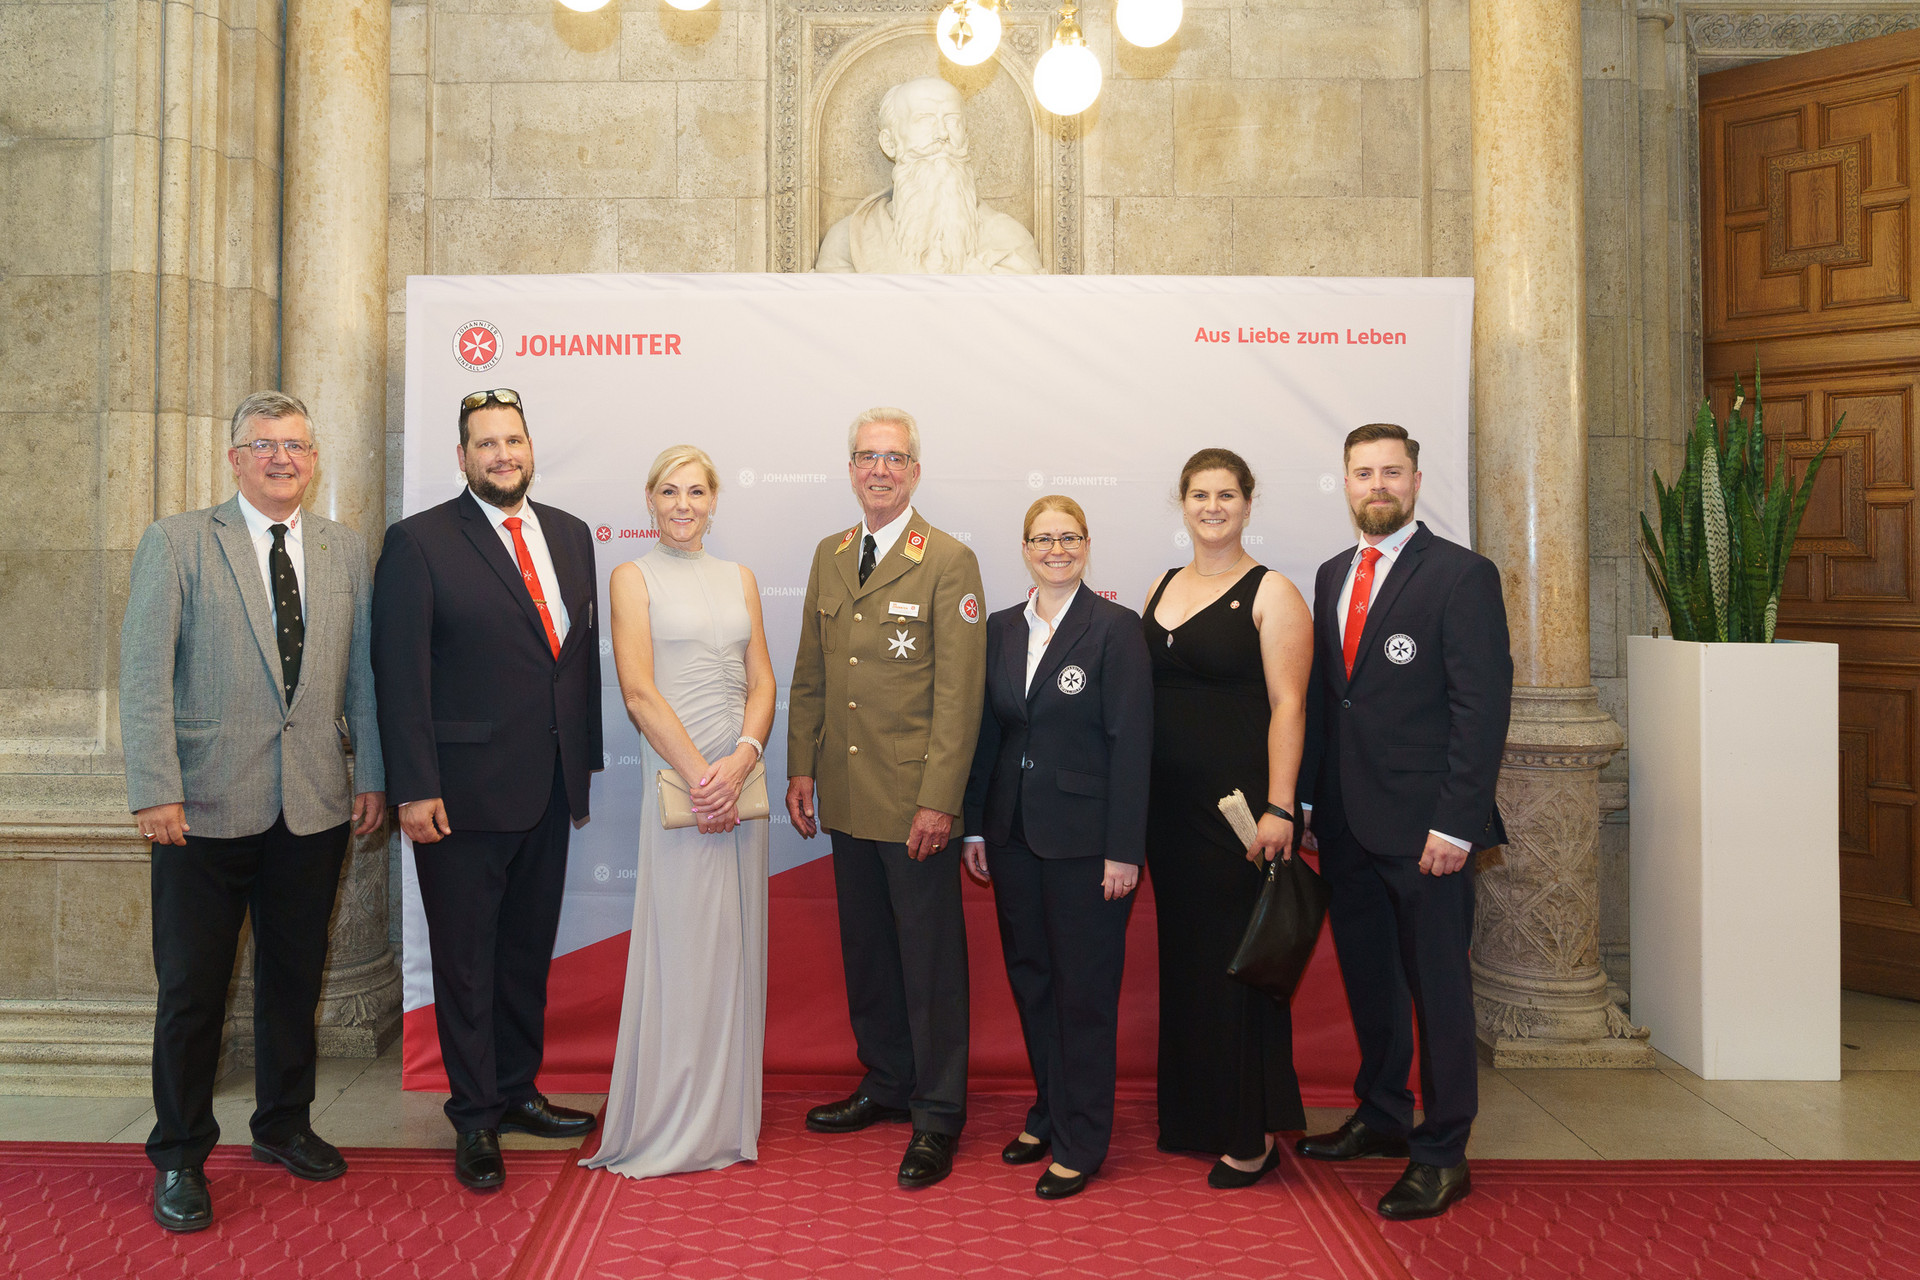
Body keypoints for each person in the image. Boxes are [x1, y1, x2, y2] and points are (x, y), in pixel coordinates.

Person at [120, 391, 386, 1233]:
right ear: (235, 459)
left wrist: (371, 775)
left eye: (297, 446)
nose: (281, 459)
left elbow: (362, 681)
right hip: (199, 808)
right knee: (192, 993)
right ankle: (180, 1156)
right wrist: (155, 787)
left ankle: (282, 1125)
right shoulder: (178, 542)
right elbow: (143, 677)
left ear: (315, 460)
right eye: (264, 445)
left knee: (291, 981)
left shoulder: (345, 551)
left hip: (311, 806)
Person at [371, 388, 603, 1192]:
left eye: (513, 440)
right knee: (466, 962)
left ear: (531, 447)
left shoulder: (571, 536)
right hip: (458, 795)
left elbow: (572, 664)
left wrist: (583, 761)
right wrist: (413, 787)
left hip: (547, 786)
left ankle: (515, 1092)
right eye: (486, 444)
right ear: (462, 456)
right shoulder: (419, 542)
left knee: (523, 955)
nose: (503, 455)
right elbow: (398, 678)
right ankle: (473, 1117)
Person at [1293, 423, 1512, 1221]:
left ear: (1417, 481)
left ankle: (1443, 1148)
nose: (1376, 485)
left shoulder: (1462, 576)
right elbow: (1330, 700)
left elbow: (1481, 708)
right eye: (1362, 473)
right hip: (1348, 825)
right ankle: (1383, 1115)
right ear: (1345, 483)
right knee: (1372, 981)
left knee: (1440, 989)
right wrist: (1313, 803)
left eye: (1391, 472)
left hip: (1428, 833)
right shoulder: (1330, 574)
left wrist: (1456, 823)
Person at [785, 406, 988, 1190]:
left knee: (930, 963)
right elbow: (813, 672)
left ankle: (937, 1114)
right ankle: (887, 1082)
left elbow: (959, 694)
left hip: (913, 804)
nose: (879, 469)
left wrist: (939, 800)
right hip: (844, 792)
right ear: (850, 469)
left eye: (894, 457)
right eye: (866, 457)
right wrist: (801, 768)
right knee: (869, 953)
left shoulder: (948, 560)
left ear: (914, 470)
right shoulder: (830, 555)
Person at [584, 446, 776, 1178]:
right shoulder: (631, 576)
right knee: (688, 943)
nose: (683, 504)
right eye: (670, 491)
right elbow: (637, 692)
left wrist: (744, 757)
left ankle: (728, 1115)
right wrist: (702, 779)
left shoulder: (741, 578)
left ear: (715, 500)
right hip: (683, 784)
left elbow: (762, 679)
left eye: (697, 491)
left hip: (740, 777)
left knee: (736, 943)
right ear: (650, 499)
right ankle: (676, 1115)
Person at [960, 496, 1153, 1200]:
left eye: (1068, 537)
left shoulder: (1116, 629)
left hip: (1086, 845)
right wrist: (976, 825)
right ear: (1024, 547)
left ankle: (1082, 1138)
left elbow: (1132, 745)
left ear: (1087, 545)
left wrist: (1124, 849)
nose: (1056, 549)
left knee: (1085, 994)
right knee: (1034, 980)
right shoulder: (1003, 629)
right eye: (1042, 538)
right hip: (1012, 837)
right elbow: (988, 734)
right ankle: (1048, 1108)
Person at [1141, 447, 1315, 1188]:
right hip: (1166, 817)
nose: (1212, 506)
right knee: (1187, 964)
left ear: (1248, 504)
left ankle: (1251, 1134)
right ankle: (1195, 1115)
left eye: (1226, 495)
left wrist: (1281, 807)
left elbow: (1290, 705)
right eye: (1199, 494)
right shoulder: (1161, 583)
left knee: (1240, 968)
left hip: (1241, 817)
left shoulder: (1273, 591)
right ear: (1182, 503)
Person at [813, 75, 1042, 274]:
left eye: (952, 121)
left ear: (966, 138)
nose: (942, 134)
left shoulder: (1010, 240)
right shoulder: (850, 243)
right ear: (890, 143)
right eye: (924, 120)